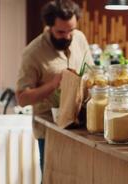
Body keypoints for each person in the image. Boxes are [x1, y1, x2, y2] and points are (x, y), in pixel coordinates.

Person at [15, 0, 93, 173]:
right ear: (49, 26)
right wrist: (54, 83)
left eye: (71, 30)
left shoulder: (79, 38)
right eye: (61, 31)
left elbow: (91, 71)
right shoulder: (33, 53)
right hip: (50, 130)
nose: (67, 36)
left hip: (80, 128)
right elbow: (22, 99)